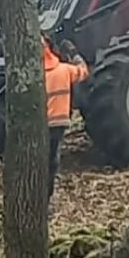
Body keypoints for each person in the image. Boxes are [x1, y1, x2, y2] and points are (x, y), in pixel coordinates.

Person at [42, 34, 89, 201]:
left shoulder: (39, 76)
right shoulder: (64, 70)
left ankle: (41, 196)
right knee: (51, 162)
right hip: (59, 122)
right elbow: (83, 72)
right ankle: (46, 197)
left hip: (42, 124)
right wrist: (75, 55)